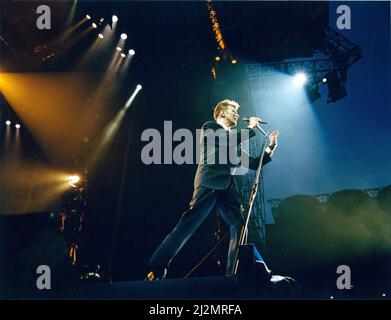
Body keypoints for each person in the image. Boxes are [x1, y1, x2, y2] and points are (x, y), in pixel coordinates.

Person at [147, 99, 279, 280]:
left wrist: (271, 147)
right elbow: (226, 141)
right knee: (188, 224)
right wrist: (250, 128)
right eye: (233, 110)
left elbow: (254, 164)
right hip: (209, 181)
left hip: (226, 186)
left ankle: (235, 272)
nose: (237, 114)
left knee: (240, 226)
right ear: (221, 113)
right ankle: (157, 265)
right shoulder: (210, 127)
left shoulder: (234, 141)